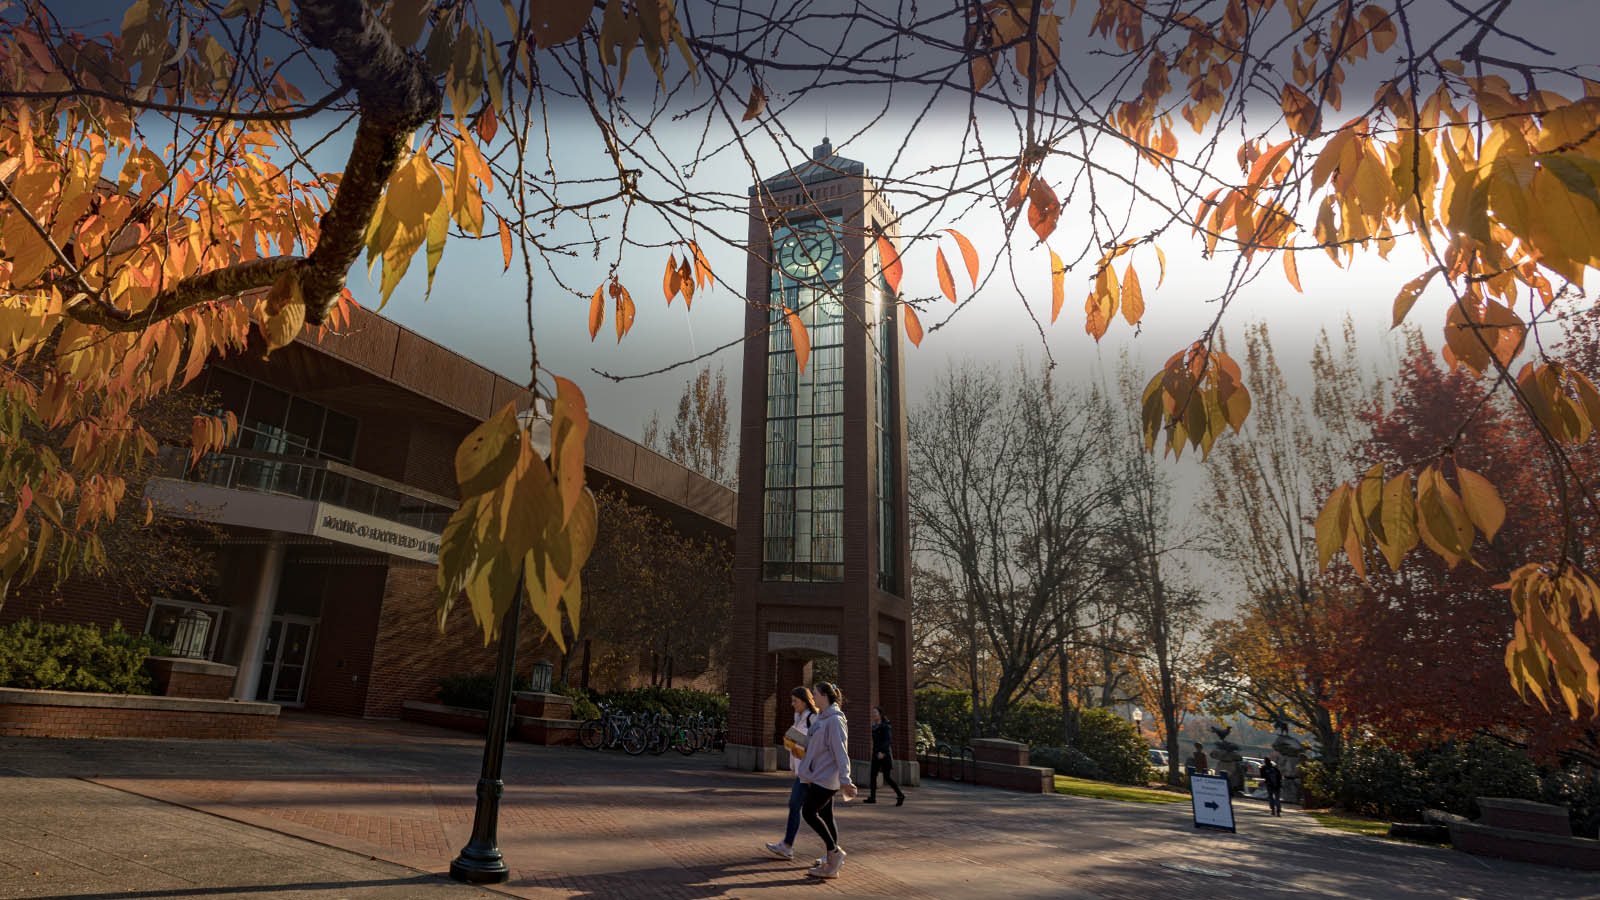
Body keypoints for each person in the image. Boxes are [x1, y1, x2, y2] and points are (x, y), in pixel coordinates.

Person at [794, 681, 855, 879]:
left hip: (827, 778)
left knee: (809, 812)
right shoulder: (821, 718)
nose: (813, 697)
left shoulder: (835, 721)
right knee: (826, 815)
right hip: (817, 775)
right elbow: (815, 748)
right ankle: (831, 859)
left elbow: (840, 751)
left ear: (824, 696)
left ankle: (835, 853)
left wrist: (846, 779)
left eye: (815, 694)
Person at [764, 687, 819, 860]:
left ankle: (789, 846)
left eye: (795, 701)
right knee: (804, 809)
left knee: (802, 809)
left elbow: (817, 746)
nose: (792, 704)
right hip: (803, 772)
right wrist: (792, 744)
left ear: (804, 701)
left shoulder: (813, 718)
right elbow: (793, 740)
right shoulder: (799, 718)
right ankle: (788, 845)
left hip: (811, 773)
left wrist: (797, 746)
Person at [864, 706, 904, 806]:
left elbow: (888, 740)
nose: (873, 715)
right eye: (872, 713)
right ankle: (872, 797)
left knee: (887, 777)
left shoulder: (886, 726)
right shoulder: (874, 726)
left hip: (884, 754)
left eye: (875, 713)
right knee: (873, 776)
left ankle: (900, 795)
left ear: (880, 714)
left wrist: (882, 752)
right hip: (876, 753)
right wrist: (876, 752)